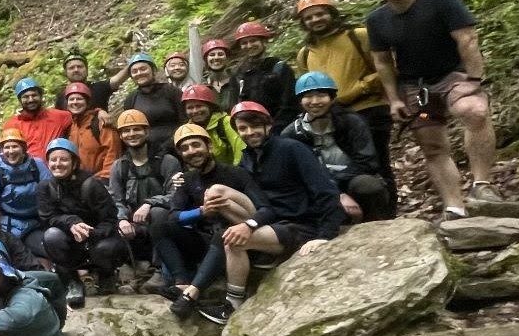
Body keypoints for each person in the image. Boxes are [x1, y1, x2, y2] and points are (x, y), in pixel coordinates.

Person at [365, 0, 500, 217]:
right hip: (418, 89)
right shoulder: (377, 20)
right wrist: (394, 99)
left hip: (453, 76)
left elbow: (468, 39)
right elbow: (382, 62)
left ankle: (482, 185)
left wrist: (474, 79)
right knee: (432, 144)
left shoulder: (441, 0)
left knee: (474, 111)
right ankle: (454, 206)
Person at [215, 101, 344, 322]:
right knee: (217, 192)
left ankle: (233, 304)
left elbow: (326, 191)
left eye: (255, 126)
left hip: (300, 225)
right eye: (243, 129)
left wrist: (325, 236)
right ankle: (262, 250)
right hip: (272, 219)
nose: (249, 133)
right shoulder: (248, 157)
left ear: (268, 125)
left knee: (233, 241)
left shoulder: (291, 149)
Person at [154, 124, 266, 320]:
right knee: (160, 225)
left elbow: (266, 209)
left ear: (209, 146)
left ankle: (192, 294)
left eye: (196, 145)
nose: (191, 151)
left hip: (238, 241)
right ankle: (181, 282)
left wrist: (249, 225)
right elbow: (174, 216)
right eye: (185, 148)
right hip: (206, 241)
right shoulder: (187, 180)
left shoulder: (235, 174)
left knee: (222, 234)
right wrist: (201, 212)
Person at [294, 0, 394, 202]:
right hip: (330, 117)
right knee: (341, 165)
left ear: (331, 13)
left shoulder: (358, 36)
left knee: (376, 163)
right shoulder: (306, 52)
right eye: (309, 18)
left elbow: (385, 67)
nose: (315, 20)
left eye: (320, 14)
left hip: (368, 108)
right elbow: (306, 85)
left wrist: (360, 88)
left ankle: (387, 212)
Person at [284, 73, 392, 223]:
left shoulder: (352, 122)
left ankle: (377, 224)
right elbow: (292, 173)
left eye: (321, 95)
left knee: (368, 186)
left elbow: (367, 162)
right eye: (308, 96)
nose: (314, 102)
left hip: (351, 180)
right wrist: (335, 193)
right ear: (300, 101)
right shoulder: (291, 133)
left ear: (332, 98)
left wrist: (336, 186)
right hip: (317, 188)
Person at [39, 138, 126, 305]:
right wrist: (72, 223)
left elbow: (110, 219)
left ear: (74, 163)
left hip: (99, 239)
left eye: (64, 159)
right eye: (53, 160)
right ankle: (72, 281)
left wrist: (90, 233)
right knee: (51, 236)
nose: (58, 164)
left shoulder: (91, 185)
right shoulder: (45, 187)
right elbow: (47, 218)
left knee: (106, 248)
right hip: (69, 241)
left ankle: (106, 274)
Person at [106, 111, 181, 293]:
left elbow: (176, 194)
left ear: (147, 132)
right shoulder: (119, 166)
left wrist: (150, 203)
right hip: (134, 225)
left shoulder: (167, 161)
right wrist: (122, 219)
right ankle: (132, 268)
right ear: (121, 136)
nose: (132, 134)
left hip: (162, 222)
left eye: (137, 129)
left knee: (158, 213)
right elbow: (116, 199)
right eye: (126, 131)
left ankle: (159, 270)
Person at [0, 128, 49, 259]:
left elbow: (51, 192)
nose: (11, 151)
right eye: (7, 147)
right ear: (2, 150)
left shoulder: (37, 166)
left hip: (35, 224)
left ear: (23, 149)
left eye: (15, 146)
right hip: (7, 226)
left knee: (50, 250)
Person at [223, 21, 296, 133]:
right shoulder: (238, 74)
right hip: (249, 132)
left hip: (279, 130)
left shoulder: (279, 68)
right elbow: (234, 106)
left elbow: (289, 104)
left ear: (263, 41)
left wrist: (274, 129)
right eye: (244, 43)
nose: (249, 46)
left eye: (253, 41)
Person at [121, 53, 185, 155]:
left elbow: (185, 120)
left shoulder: (171, 91)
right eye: (134, 71)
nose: (139, 73)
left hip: (178, 146)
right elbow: (128, 128)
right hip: (147, 152)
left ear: (153, 70)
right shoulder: (131, 99)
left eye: (143, 69)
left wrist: (170, 144)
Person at [2, 78, 72, 161]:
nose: (31, 100)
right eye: (26, 97)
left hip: (56, 168)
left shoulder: (60, 116)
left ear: (41, 96)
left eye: (34, 95)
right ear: (20, 100)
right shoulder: (12, 125)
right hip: (28, 171)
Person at [63, 82, 119, 179]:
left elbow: (113, 152)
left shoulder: (100, 123)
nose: (75, 102)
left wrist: (105, 177)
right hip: (78, 181)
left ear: (87, 102)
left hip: (102, 179)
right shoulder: (70, 126)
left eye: (79, 99)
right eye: (71, 99)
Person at [180, 83, 244, 166]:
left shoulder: (226, 122)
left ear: (210, 106)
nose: (195, 111)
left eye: (199, 106)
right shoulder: (187, 130)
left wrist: (235, 174)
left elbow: (240, 151)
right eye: (190, 108)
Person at [54, 51, 130, 117]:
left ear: (87, 70)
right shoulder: (61, 97)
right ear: (65, 72)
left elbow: (117, 80)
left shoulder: (99, 88)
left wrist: (136, 61)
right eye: (71, 68)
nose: (76, 70)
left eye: (80, 67)